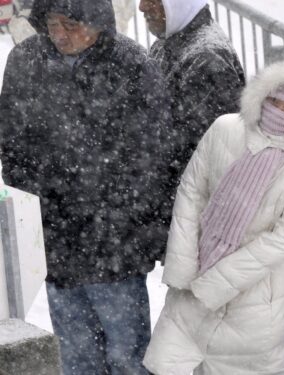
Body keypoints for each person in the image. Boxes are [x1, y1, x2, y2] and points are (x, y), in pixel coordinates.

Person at [0, 1, 170, 374]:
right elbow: (12, 148)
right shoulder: (26, 61)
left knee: (128, 358)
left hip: (115, 249)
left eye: (71, 23)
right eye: (51, 23)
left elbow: (151, 160)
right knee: (76, 360)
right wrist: (43, 210)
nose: (59, 34)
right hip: (57, 244)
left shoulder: (132, 65)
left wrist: (115, 220)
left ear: (97, 21)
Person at [143, 60, 284, 374]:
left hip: (257, 308)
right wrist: (185, 265)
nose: (280, 112)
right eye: (276, 101)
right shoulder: (225, 128)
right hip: (191, 294)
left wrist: (219, 281)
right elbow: (191, 194)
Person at [139, 0, 246, 252]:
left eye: (153, 0)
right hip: (181, 214)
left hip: (200, 224)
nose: (143, 7)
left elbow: (202, 154)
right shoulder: (171, 44)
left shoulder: (206, 59)